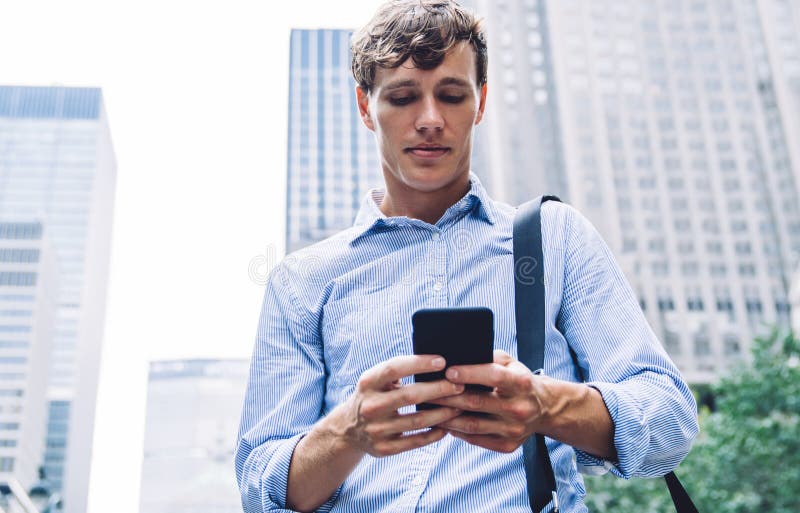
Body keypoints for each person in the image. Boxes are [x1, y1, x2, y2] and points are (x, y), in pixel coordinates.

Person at [235, 1, 698, 512]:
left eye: (452, 96)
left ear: (480, 102)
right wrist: (349, 431)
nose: (430, 120)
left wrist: (545, 405)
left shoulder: (554, 239)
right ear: (366, 108)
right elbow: (260, 489)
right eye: (404, 97)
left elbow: (669, 422)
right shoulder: (301, 282)